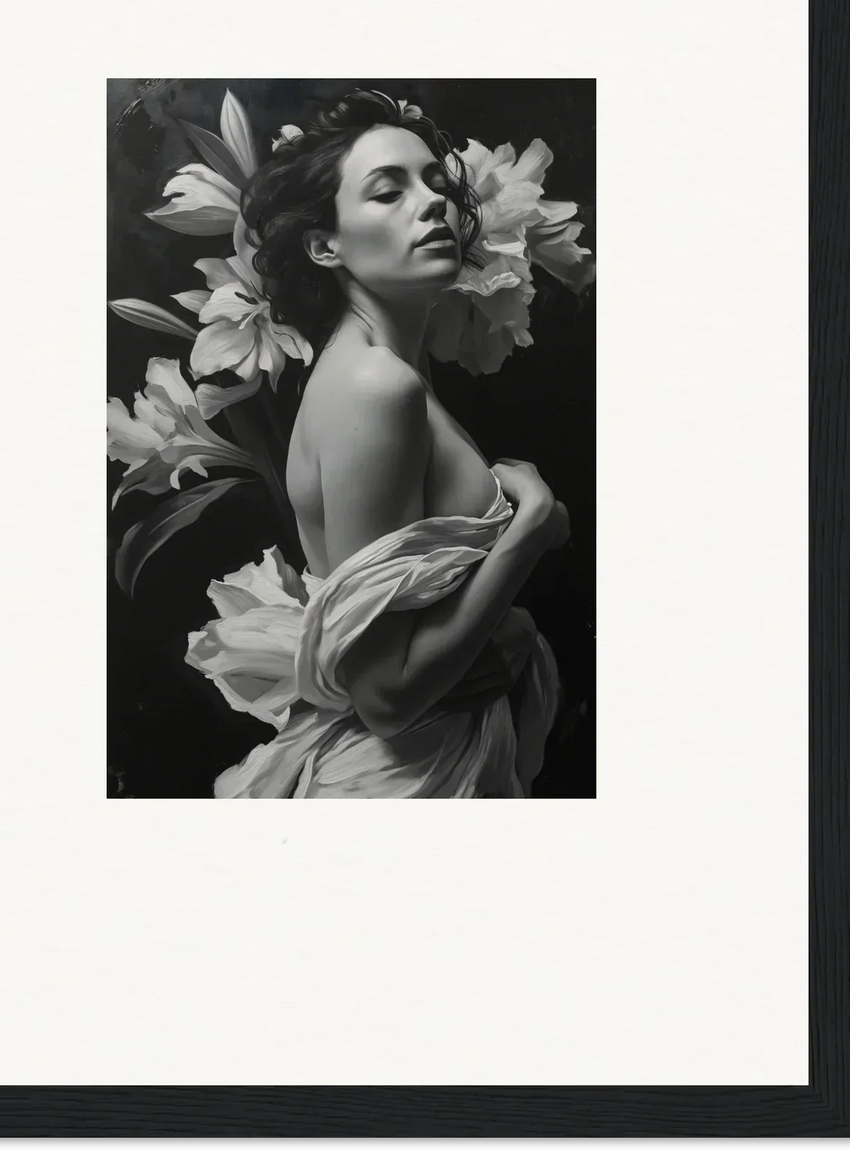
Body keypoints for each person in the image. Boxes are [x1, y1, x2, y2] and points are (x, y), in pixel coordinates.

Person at [191, 90, 570, 797]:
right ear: (324, 244)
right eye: (387, 191)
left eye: (435, 182)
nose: (431, 204)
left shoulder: (387, 370)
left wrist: (507, 628)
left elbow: (413, 611)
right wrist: (529, 527)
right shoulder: (373, 385)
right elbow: (387, 698)